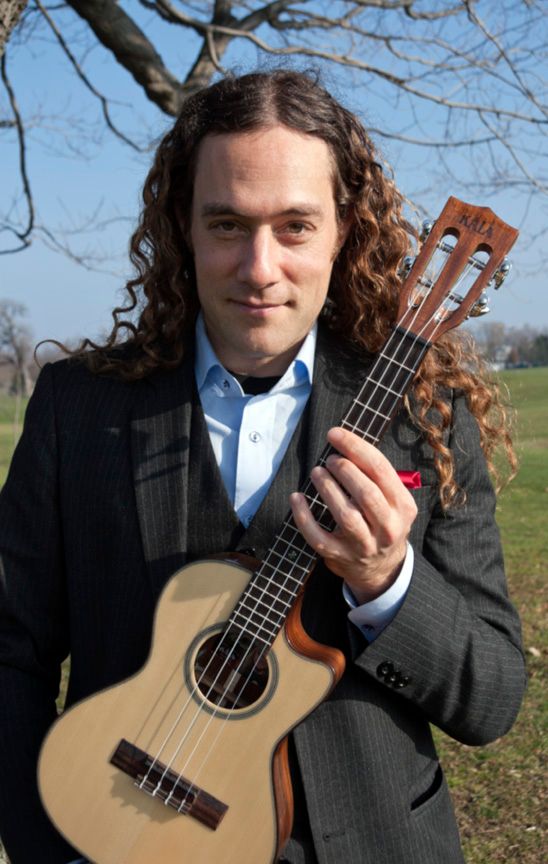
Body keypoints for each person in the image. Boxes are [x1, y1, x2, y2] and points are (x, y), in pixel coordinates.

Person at [0, 70, 525, 864]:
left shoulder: (425, 411)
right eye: (227, 224)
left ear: (345, 230)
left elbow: (492, 696)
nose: (259, 267)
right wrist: (52, 848)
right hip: (129, 832)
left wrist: (387, 581)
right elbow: (10, 651)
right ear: (183, 225)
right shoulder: (78, 408)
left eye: (295, 227)